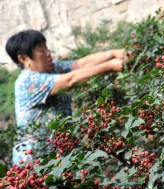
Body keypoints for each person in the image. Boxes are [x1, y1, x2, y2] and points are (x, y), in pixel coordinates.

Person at [5, 29, 125, 165]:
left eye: (47, 48)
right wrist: (110, 65)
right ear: (24, 59)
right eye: (41, 50)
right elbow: (70, 80)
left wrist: (113, 53)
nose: (48, 54)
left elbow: (81, 64)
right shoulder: (27, 81)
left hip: (57, 157)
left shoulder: (53, 69)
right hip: (33, 162)